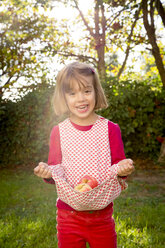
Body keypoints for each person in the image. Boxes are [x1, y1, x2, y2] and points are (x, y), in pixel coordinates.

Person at [34, 62, 134, 248]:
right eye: (72, 93)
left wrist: (124, 168)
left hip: (102, 216)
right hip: (68, 216)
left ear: (96, 91)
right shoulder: (59, 131)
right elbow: (56, 169)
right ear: (64, 97)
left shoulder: (110, 129)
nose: (80, 99)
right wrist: (48, 173)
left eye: (86, 91)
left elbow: (118, 165)